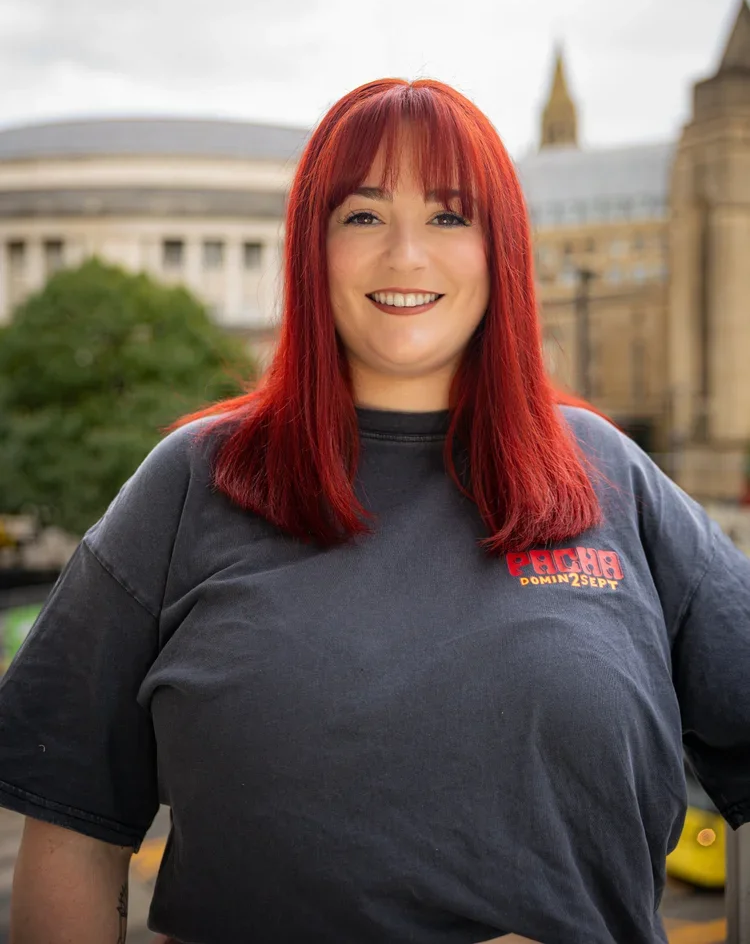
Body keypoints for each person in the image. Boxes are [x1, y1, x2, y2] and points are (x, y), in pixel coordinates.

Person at [0, 78, 748, 944]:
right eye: (362, 216)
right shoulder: (193, 481)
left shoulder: (609, 473)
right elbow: (72, 818)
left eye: (449, 216)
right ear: (311, 246)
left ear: (499, 248)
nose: (405, 256)